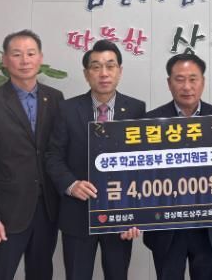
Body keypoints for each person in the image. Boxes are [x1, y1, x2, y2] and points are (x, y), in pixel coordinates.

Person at [0, 29, 63, 280]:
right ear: (5, 60)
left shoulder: (55, 99)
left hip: (47, 210)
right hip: (6, 214)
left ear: (40, 58)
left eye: (31, 53)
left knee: (42, 273)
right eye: (17, 54)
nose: (25, 60)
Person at [46, 39, 145, 280]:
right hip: (77, 215)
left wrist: (137, 214)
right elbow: (53, 156)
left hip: (120, 217)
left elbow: (143, 165)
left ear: (120, 71)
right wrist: (71, 184)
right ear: (86, 73)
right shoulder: (67, 109)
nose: (104, 73)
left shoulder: (136, 110)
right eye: (96, 66)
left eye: (110, 66)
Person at [142, 53, 212, 280]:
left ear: (203, 82)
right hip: (166, 230)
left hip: (208, 228)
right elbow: (140, 176)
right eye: (179, 79)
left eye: (193, 79)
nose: (187, 86)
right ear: (169, 83)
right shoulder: (150, 122)